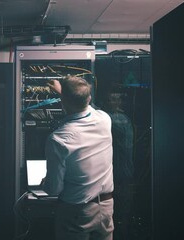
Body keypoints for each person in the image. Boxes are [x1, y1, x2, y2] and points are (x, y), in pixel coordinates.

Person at [42, 76, 114, 240]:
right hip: (106, 207)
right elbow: (86, 106)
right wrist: (65, 94)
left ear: (63, 101)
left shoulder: (58, 139)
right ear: (89, 98)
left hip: (76, 212)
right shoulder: (104, 119)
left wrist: (45, 182)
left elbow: (54, 189)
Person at [102, 91, 134, 240]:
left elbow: (114, 126)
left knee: (122, 213)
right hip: (116, 174)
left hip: (122, 174)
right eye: (110, 99)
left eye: (115, 99)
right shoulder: (112, 118)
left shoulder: (121, 119)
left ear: (121, 102)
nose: (112, 102)